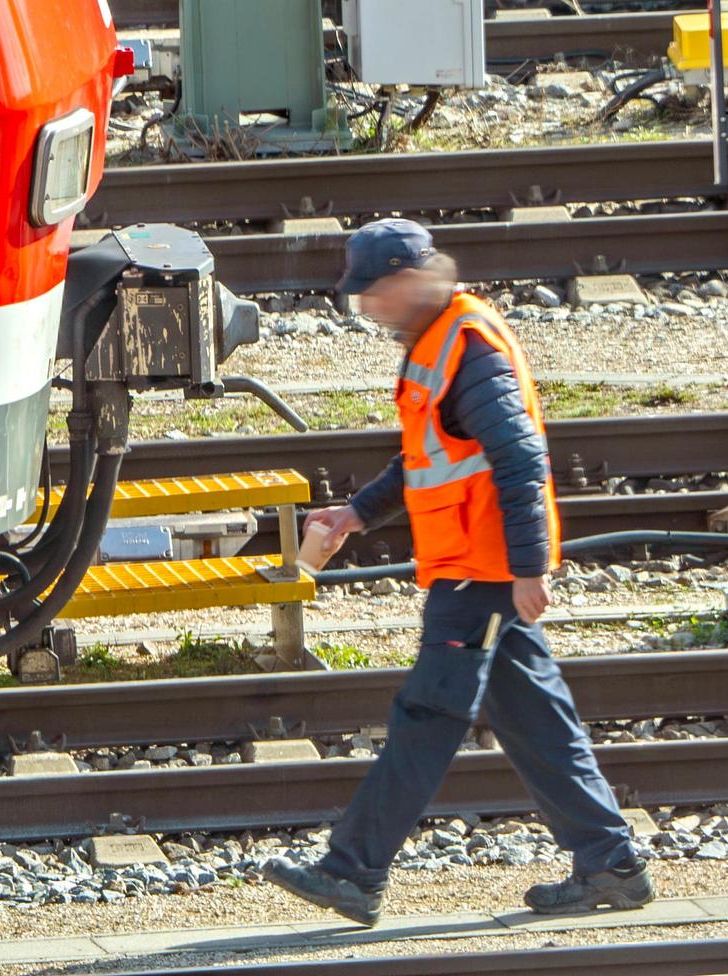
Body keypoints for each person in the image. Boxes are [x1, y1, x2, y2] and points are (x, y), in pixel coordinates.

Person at [261, 218, 654, 927]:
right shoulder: (437, 343)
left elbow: (521, 459)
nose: (366, 309)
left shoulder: (468, 351)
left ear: (407, 281)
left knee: (426, 718)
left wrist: (530, 568)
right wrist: (357, 513)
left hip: (483, 572)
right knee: (536, 720)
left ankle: (352, 872)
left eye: (371, 293)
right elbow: (426, 454)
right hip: (474, 572)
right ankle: (610, 865)